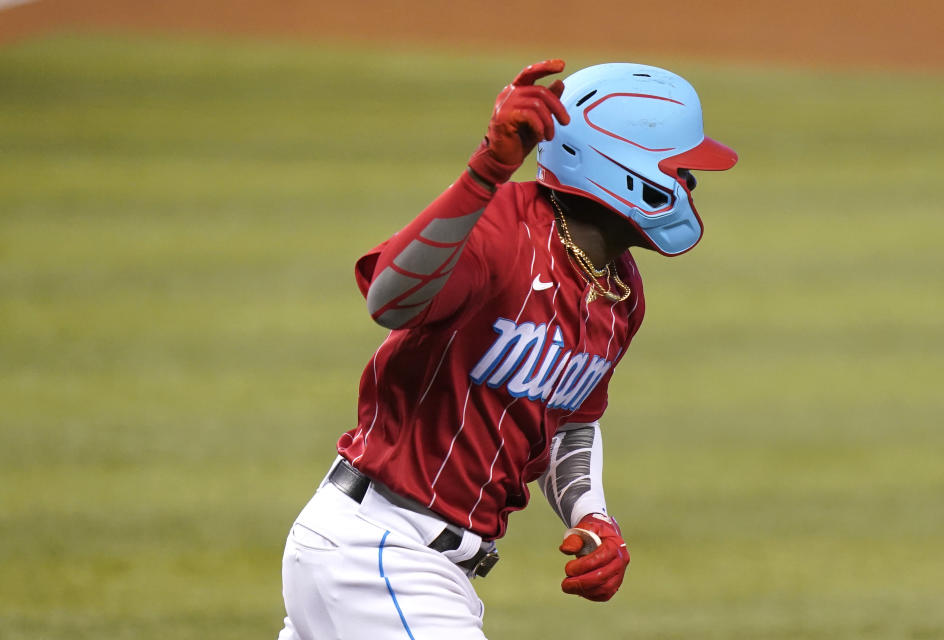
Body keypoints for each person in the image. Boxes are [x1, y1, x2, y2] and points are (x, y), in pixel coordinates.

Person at [277, 58, 738, 640]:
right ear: (627, 166)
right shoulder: (501, 230)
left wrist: (591, 514)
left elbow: (568, 423)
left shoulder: (620, 292)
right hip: (380, 550)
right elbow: (389, 302)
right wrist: (485, 172)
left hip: (422, 567)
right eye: (683, 170)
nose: (691, 186)